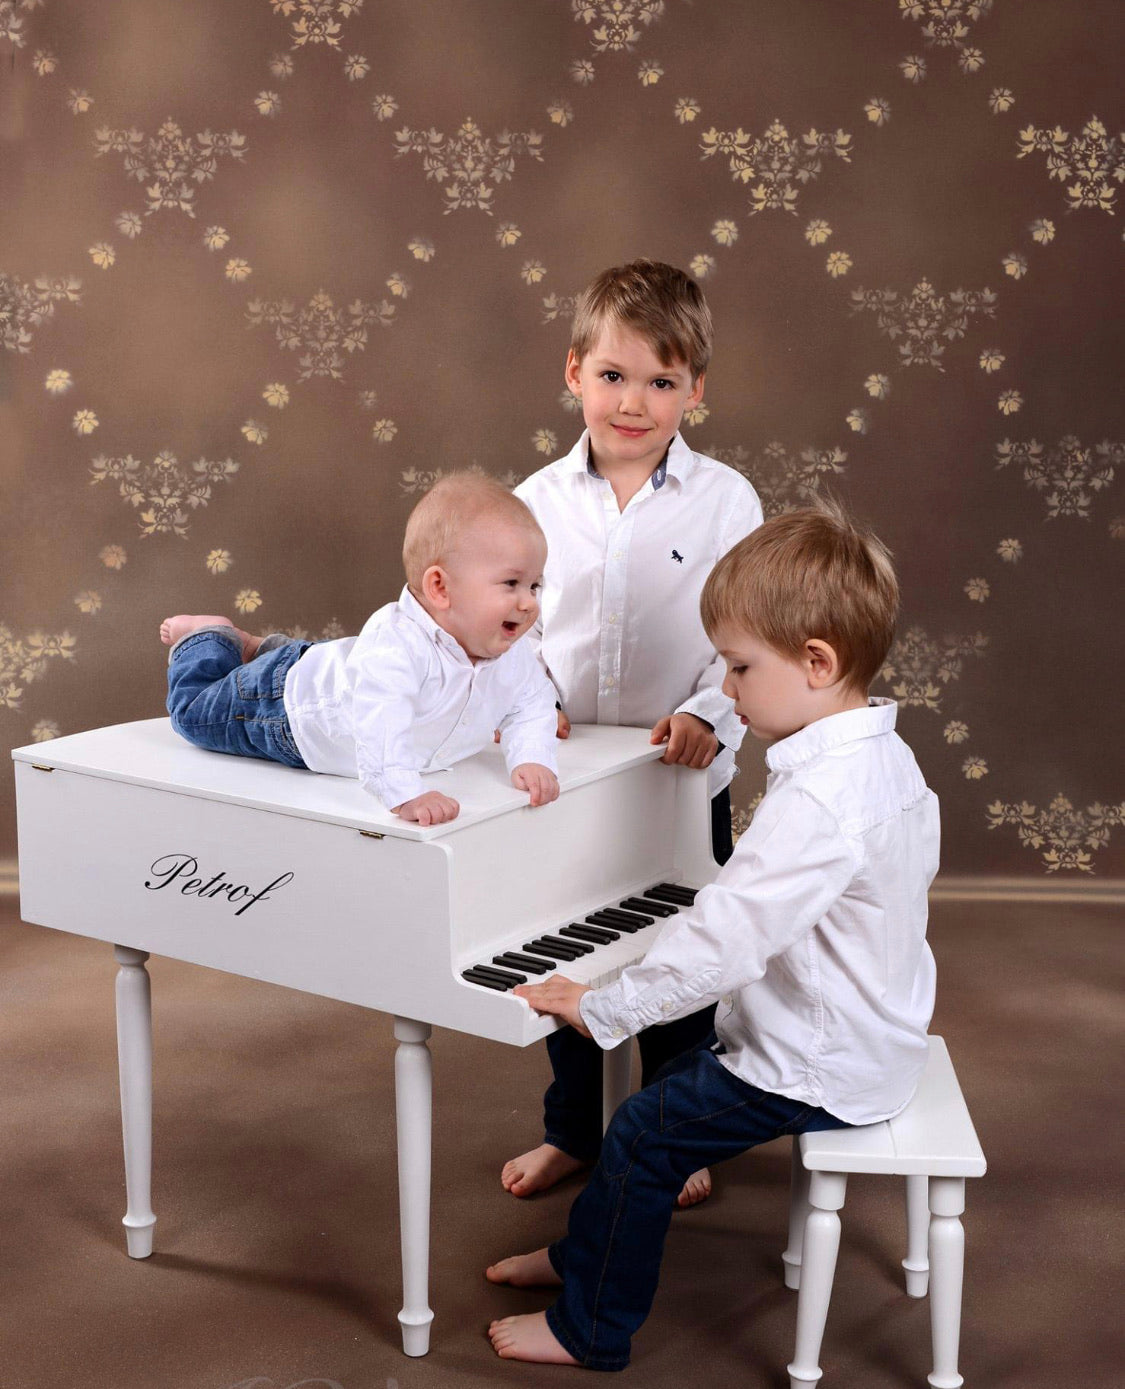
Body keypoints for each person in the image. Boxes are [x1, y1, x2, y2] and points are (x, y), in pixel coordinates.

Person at [485, 502, 940, 1370]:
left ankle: (592, 1326)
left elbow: (726, 940)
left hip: (821, 1058)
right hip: (863, 1026)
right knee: (666, 1100)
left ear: (816, 662)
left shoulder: (816, 800)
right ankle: (587, 1251)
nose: (725, 690)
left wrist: (602, 1004)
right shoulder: (881, 755)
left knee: (644, 1132)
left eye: (737, 666)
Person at [505, 258, 763, 1207]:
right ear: (572, 371)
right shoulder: (533, 501)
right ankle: (575, 1129)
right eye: (613, 376)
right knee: (560, 954)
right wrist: (531, 704)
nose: (634, 401)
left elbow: (746, 638)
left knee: (679, 963)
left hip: (676, 773)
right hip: (568, 775)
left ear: (694, 389)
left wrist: (706, 711)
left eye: (661, 381)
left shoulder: (726, 501)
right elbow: (510, 632)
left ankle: (672, 1130)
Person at [160, 472, 560, 825]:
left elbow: (532, 703)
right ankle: (210, 637)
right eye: (511, 584)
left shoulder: (513, 653)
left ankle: (259, 648)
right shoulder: (398, 644)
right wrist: (404, 794)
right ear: (441, 588)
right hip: (287, 712)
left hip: (327, 666)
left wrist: (531, 756)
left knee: (317, 663)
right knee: (194, 715)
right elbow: (381, 725)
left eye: (534, 586)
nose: (528, 603)